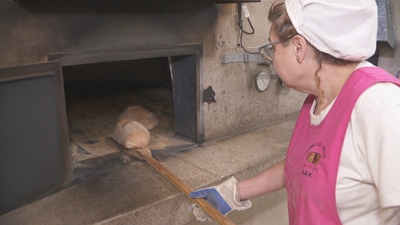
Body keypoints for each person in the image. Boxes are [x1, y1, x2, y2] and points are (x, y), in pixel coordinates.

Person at [189, 0, 400, 224]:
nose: (270, 59)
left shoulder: (380, 106)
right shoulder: (317, 97)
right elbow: (304, 166)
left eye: (273, 48)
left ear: (298, 48)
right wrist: (232, 193)